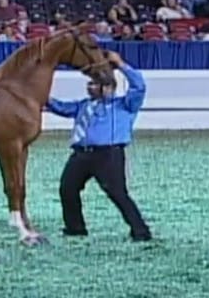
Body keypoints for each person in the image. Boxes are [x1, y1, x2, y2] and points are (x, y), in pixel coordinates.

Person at [44, 52, 152, 242]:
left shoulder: (125, 105)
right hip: (81, 154)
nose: (89, 87)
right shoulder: (84, 105)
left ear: (108, 87)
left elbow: (139, 86)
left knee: (117, 193)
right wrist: (43, 96)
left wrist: (121, 65)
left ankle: (140, 230)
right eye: (89, 83)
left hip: (108, 154)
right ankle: (75, 228)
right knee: (67, 188)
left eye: (94, 84)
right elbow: (59, 107)